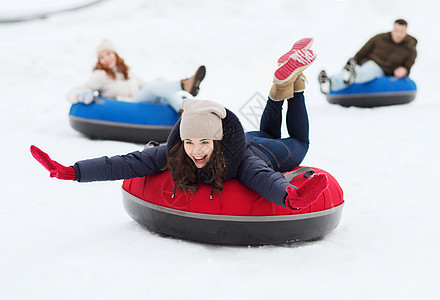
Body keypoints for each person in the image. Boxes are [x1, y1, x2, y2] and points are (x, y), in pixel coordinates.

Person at [31, 38, 328, 211]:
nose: (196, 151)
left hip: (267, 152)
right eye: (189, 143)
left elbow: (265, 179)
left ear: (216, 140)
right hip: (256, 136)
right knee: (266, 130)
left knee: (300, 142)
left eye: (204, 144)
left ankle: (295, 87)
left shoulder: (242, 160)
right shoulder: (176, 152)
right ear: (181, 140)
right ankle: (282, 85)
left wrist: (290, 196)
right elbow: (125, 163)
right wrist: (74, 171)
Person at [67, 39, 206, 113]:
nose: (106, 59)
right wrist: (81, 96)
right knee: (152, 87)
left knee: (159, 80)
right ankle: (184, 85)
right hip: (129, 106)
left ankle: (181, 109)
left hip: (142, 101)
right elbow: (71, 92)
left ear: (115, 54)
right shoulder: (100, 75)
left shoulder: (126, 73)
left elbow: (147, 86)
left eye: (108, 54)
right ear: (99, 61)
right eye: (101, 57)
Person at [318, 19, 417, 94]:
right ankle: (329, 83)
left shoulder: (410, 49)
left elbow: (408, 66)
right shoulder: (379, 38)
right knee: (354, 70)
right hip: (364, 63)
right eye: (396, 30)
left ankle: (352, 74)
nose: (398, 34)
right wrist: (353, 61)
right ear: (392, 29)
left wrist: (404, 70)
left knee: (370, 69)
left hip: (381, 70)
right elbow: (362, 52)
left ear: (406, 32)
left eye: (401, 31)